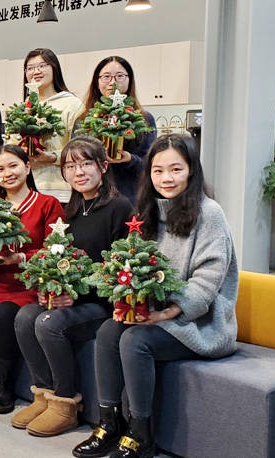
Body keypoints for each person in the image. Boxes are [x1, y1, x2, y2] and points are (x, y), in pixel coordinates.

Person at [73, 134, 238, 458]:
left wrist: (166, 312)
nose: (166, 178)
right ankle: (110, 423)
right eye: (158, 170)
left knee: (135, 341)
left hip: (200, 322)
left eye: (176, 169)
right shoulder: (147, 210)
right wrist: (127, 301)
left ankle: (141, 433)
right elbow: (134, 264)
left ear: (191, 170)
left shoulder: (210, 213)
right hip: (154, 312)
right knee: (108, 331)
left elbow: (208, 281)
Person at [11, 136, 131, 437]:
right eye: (70, 166)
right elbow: (60, 259)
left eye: (86, 163)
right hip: (75, 298)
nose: (79, 172)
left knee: (49, 324)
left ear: (103, 166)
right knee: (24, 317)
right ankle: (44, 395)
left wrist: (75, 296)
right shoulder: (73, 209)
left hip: (103, 304)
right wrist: (51, 286)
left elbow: (118, 270)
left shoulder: (119, 207)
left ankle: (65, 404)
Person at [0, 145, 63, 414]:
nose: (8, 173)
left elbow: (56, 249)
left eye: (13, 165)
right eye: (0, 169)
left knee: (5, 314)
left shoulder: (47, 204)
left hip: (31, 281)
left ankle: (3, 382)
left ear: (27, 167)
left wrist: (21, 258)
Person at [74, 56, 157, 203]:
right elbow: (74, 160)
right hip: (93, 198)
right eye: (106, 77)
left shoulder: (143, 119)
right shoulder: (84, 120)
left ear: (129, 80)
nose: (113, 82)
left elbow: (151, 164)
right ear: (97, 82)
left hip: (131, 198)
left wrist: (130, 159)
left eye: (119, 76)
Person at [18, 48, 84, 204]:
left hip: (61, 189)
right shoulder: (23, 108)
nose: (36, 71)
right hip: (26, 189)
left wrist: (53, 156)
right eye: (30, 68)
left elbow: (81, 147)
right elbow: (11, 143)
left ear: (55, 68)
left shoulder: (72, 104)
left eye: (42, 66)